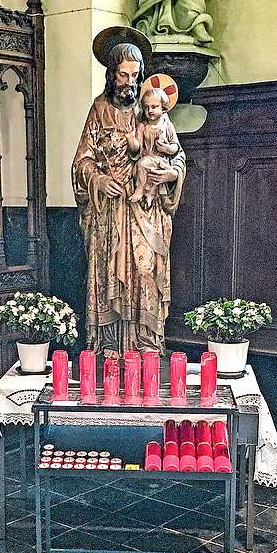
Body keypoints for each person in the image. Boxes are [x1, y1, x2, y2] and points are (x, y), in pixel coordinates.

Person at [72, 27, 186, 355]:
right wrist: (97, 179)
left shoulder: (151, 109)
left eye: (135, 75)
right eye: (123, 75)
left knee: (146, 271)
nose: (129, 82)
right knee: (109, 275)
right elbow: (82, 160)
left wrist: (170, 173)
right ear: (112, 74)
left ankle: (147, 346)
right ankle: (109, 347)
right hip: (108, 211)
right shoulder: (99, 110)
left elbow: (177, 155)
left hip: (147, 209)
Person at [128, 87, 181, 209]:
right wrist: (131, 139)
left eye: (154, 106)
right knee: (142, 165)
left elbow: (175, 146)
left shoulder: (167, 125)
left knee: (144, 165)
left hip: (161, 161)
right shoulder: (142, 126)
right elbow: (137, 148)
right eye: (146, 107)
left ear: (163, 107)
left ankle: (142, 190)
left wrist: (167, 149)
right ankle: (147, 193)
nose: (150, 110)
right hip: (147, 158)